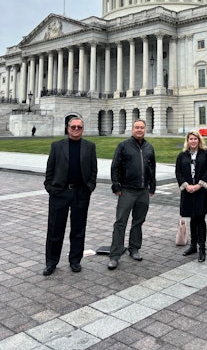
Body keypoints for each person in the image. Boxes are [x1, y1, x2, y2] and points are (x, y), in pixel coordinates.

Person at [43, 116, 97, 276]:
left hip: (80, 192)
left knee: (78, 229)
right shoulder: (57, 146)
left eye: (79, 127)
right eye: (73, 127)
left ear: (83, 129)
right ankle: (51, 262)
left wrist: (90, 187)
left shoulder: (89, 146)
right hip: (60, 193)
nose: (76, 129)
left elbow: (93, 169)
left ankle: (75, 260)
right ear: (67, 128)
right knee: (55, 229)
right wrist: (50, 188)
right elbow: (50, 169)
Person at [108, 119, 156, 270]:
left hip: (143, 191)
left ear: (145, 129)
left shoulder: (149, 147)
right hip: (127, 190)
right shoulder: (123, 145)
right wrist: (116, 185)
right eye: (137, 127)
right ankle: (115, 255)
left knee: (138, 221)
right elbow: (115, 166)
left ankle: (134, 248)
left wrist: (152, 187)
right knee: (120, 222)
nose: (139, 130)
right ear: (132, 129)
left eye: (142, 127)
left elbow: (152, 168)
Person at [175, 130, 207, 262]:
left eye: (195, 139)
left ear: (199, 140)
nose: (193, 141)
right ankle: (193, 245)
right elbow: (178, 172)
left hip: (201, 191)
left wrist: (199, 185)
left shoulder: (206, 153)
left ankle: (202, 247)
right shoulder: (182, 155)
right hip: (188, 191)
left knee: (200, 218)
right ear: (187, 141)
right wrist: (186, 186)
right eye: (190, 139)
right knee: (192, 218)